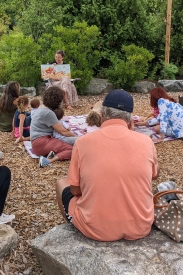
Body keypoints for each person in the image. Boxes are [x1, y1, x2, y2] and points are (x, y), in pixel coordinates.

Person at [55, 89, 159, 242]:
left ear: (102, 115)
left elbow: (75, 190)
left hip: (96, 229)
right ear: (130, 119)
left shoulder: (82, 143)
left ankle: (73, 232)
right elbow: (153, 175)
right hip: (140, 226)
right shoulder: (147, 142)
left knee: (61, 184)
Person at [30, 87, 77, 167]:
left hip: (38, 142)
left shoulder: (42, 107)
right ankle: (48, 160)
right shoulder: (48, 113)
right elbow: (63, 132)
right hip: (41, 143)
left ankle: (52, 152)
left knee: (73, 143)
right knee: (73, 149)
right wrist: (78, 137)